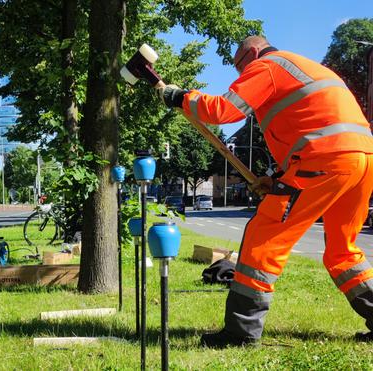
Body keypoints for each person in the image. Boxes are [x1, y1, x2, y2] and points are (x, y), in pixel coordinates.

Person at [157, 35, 373, 347]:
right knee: (343, 251)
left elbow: (223, 110)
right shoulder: (305, 68)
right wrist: (275, 178)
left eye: (239, 64)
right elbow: (313, 127)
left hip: (324, 159)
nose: (239, 74)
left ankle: (240, 333)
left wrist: (179, 97)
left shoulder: (267, 66)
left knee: (264, 237)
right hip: (361, 159)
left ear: (254, 52)